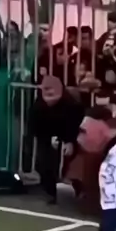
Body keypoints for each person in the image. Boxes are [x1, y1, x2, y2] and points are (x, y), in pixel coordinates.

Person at [29, 75, 84, 204]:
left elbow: (75, 124)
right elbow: (34, 126)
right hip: (47, 136)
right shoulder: (38, 106)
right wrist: (48, 138)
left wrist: (69, 141)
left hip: (69, 136)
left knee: (71, 164)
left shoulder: (71, 105)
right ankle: (50, 192)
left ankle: (79, 189)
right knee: (43, 163)